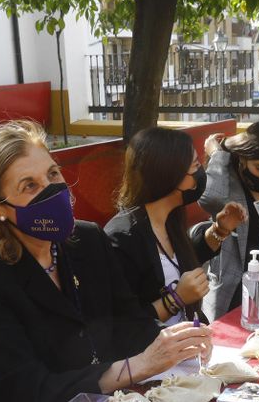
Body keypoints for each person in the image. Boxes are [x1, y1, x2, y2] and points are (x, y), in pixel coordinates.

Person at [0, 120, 211, 402]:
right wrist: (135, 367)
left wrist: (177, 344)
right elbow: (26, 392)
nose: (51, 190)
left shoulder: (86, 240)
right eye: (29, 186)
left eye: (53, 174)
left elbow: (130, 323)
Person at [103, 126, 247, 324]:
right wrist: (176, 299)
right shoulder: (122, 237)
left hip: (191, 342)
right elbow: (125, 323)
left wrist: (220, 229)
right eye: (196, 166)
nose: (201, 174)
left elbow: (183, 264)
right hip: (156, 350)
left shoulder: (170, 217)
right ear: (170, 175)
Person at [198, 119, 259, 322]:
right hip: (232, 290)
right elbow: (209, 198)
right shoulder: (229, 183)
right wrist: (218, 154)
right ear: (243, 158)